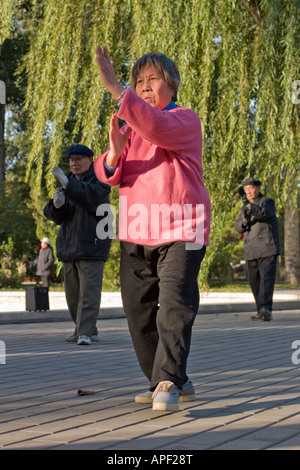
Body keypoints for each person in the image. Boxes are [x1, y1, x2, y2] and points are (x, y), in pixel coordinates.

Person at [94, 46, 211, 411]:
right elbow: (106, 174)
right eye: (138, 81)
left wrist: (116, 89)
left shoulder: (184, 120)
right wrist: (114, 153)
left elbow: (155, 126)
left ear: (171, 86)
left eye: (153, 79)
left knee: (173, 307)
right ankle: (168, 377)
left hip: (181, 229)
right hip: (135, 230)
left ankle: (167, 379)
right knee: (138, 310)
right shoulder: (130, 130)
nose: (145, 87)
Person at [44, 144, 112, 345]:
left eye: (79, 159)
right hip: (69, 247)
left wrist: (69, 187)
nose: (74, 163)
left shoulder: (100, 181)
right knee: (73, 296)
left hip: (92, 245)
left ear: (90, 160)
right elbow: (58, 217)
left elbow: (91, 199)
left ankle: (84, 333)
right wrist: (56, 206)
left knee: (88, 294)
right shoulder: (68, 181)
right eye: (71, 160)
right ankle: (87, 329)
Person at [235, 177, 280, 322]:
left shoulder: (268, 202)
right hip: (251, 250)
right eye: (246, 189)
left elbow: (263, 213)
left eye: (251, 188)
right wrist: (245, 220)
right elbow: (238, 226)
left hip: (267, 248)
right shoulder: (244, 207)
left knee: (266, 280)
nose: (248, 191)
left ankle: (266, 309)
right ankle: (260, 310)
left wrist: (249, 206)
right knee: (254, 283)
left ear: (258, 189)